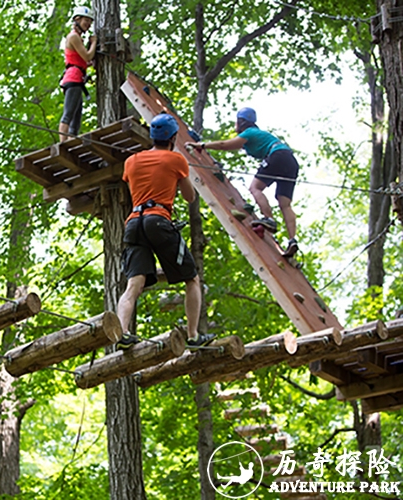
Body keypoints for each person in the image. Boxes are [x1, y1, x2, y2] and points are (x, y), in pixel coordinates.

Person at [116, 114, 215, 350]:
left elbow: (135, 188)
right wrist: (182, 174)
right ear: (172, 137)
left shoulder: (131, 161)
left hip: (133, 223)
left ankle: (122, 332)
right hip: (158, 220)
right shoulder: (176, 160)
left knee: (133, 284)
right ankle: (193, 336)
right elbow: (190, 197)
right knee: (191, 278)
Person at [185, 107, 300, 257]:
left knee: (255, 188)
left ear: (241, 122)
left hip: (276, 155)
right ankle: (292, 240)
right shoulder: (257, 135)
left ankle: (269, 219)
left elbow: (224, 145)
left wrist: (202, 145)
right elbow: (234, 147)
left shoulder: (249, 133)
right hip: (290, 161)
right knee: (285, 204)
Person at [58, 6, 97, 143]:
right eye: (86, 20)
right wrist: (94, 43)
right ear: (77, 19)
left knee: (76, 116)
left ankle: (71, 141)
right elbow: (87, 56)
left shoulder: (77, 38)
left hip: (77, 79)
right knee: (69, 114)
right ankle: (63, 143)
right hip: (73, 78)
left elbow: (84, 61)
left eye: (90, 22)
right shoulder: (73, 37)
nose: (88, 24)